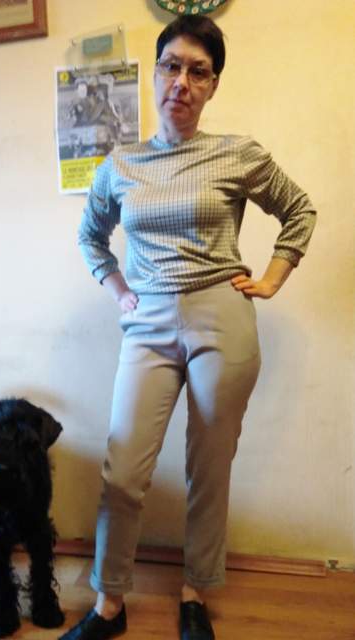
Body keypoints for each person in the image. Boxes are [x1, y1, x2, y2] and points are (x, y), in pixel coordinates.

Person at [59, 15, 316, 640]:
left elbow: (299, 211)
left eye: (198, 71)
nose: (182, 81)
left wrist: (273, 277)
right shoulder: (122, 163)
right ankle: (109, 605)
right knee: (123, 470)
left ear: (213, 85)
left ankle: (195, 593)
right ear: (154, 74)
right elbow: (91, 237)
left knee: (209, 467)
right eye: (172, 66)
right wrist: (121, 291)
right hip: (147, 320)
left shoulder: (238, 153)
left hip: (220, 318)